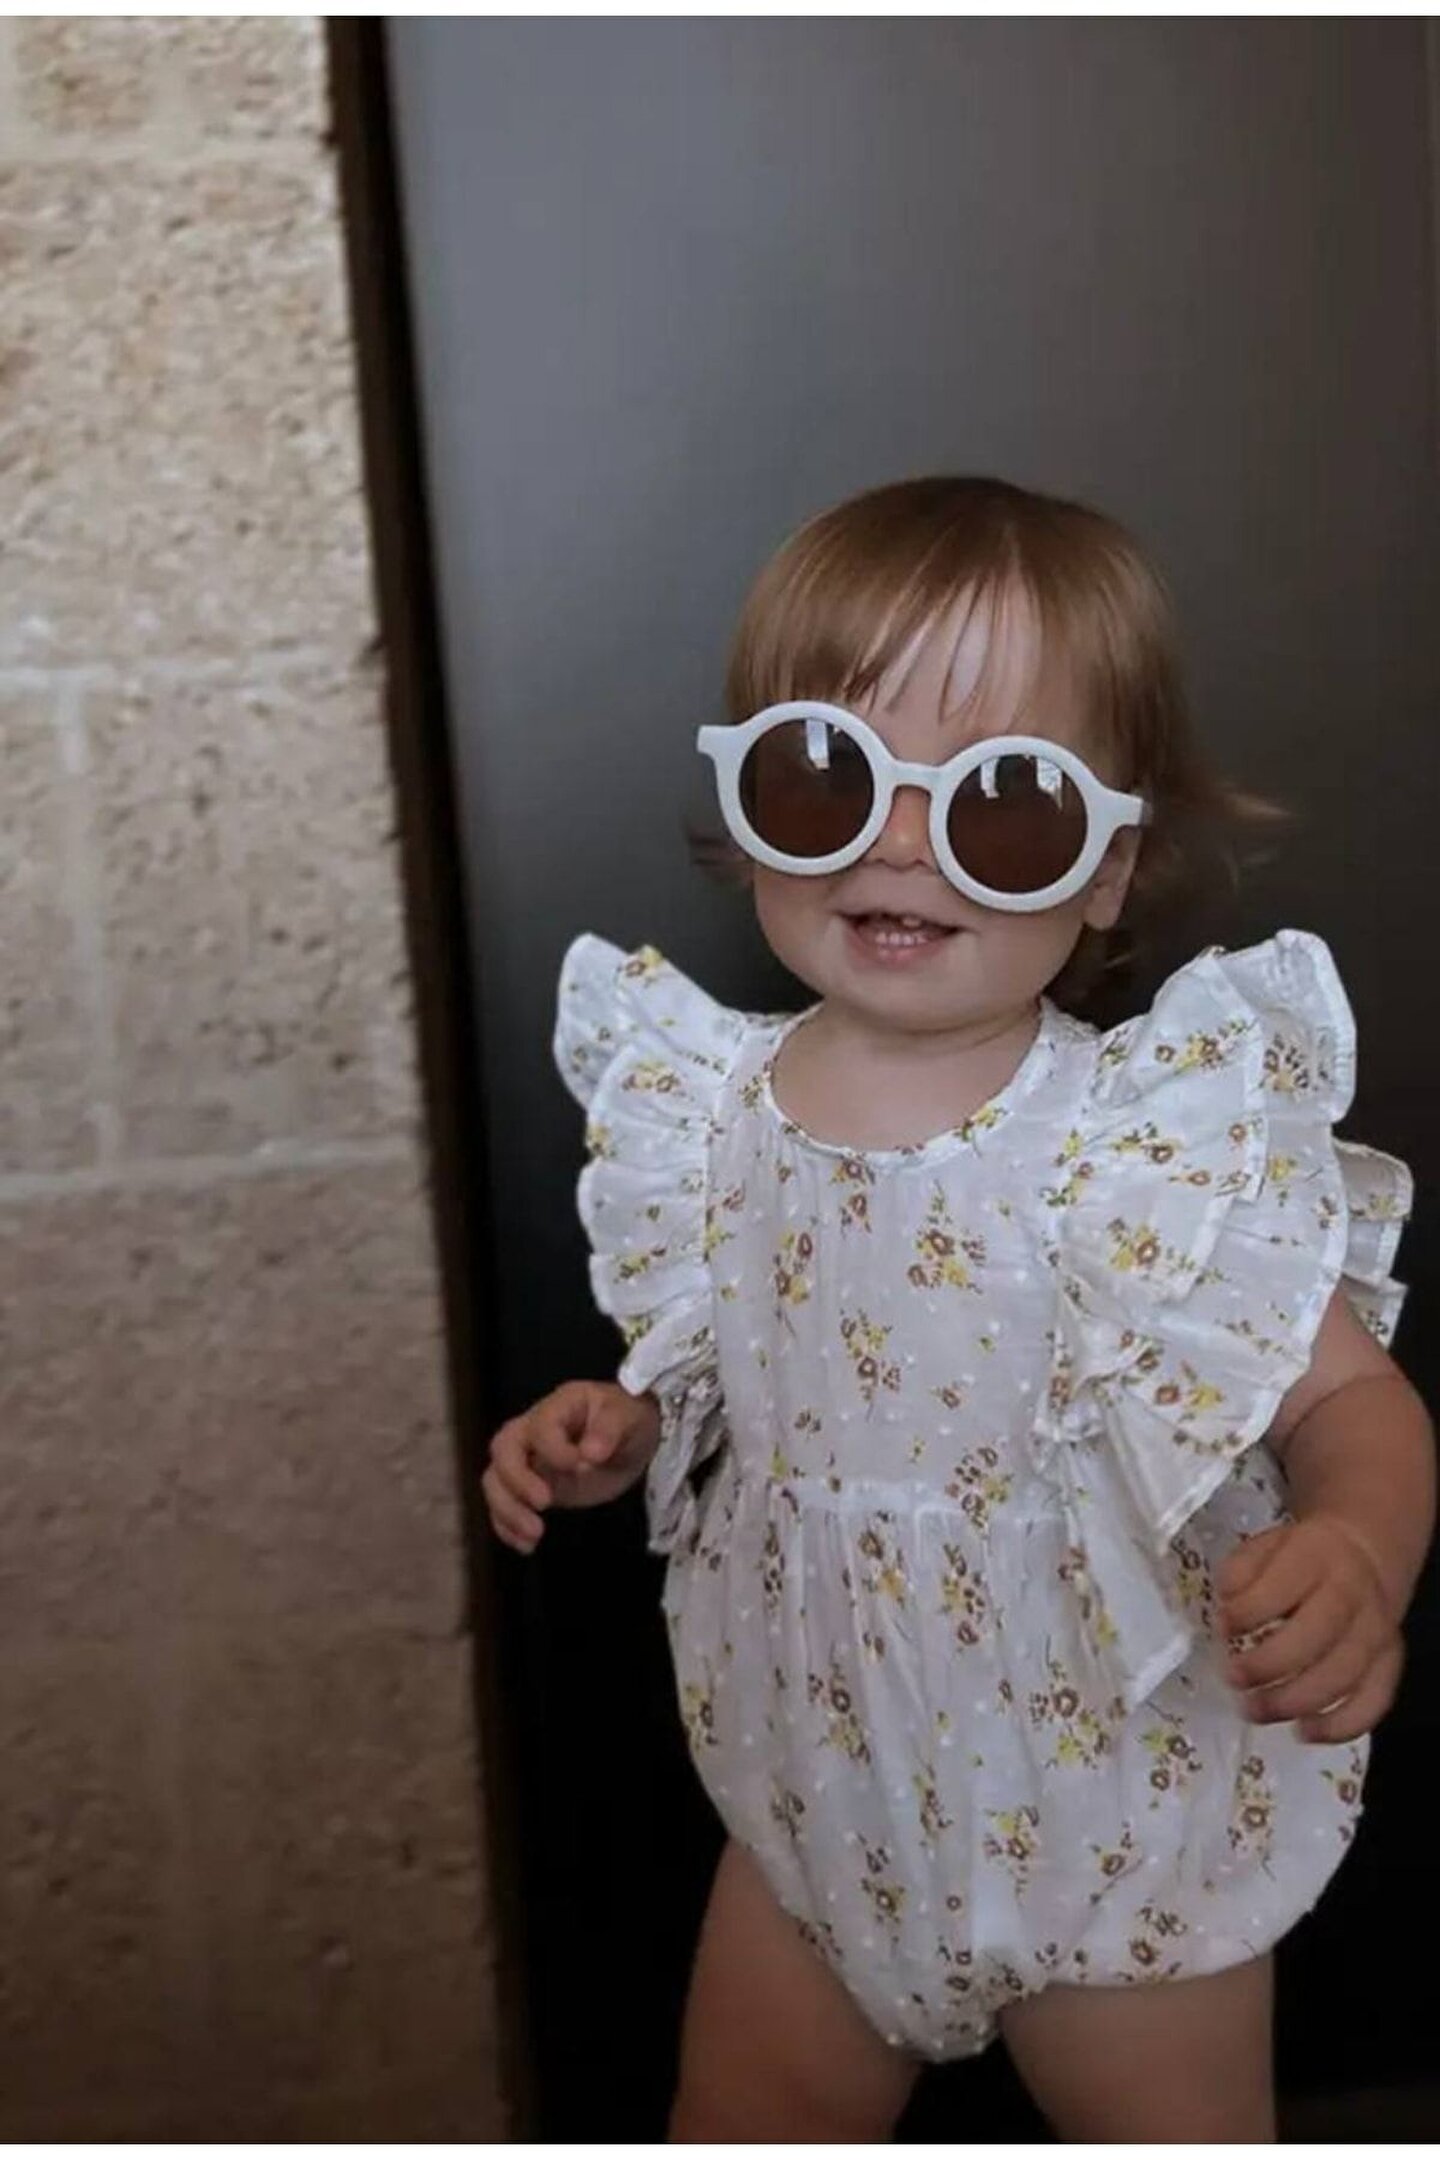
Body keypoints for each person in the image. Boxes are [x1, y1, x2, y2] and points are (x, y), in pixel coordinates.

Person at [482, 477, 1434, 2141]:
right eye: (825, 775)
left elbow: (1348, 1399)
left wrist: (1359, 1544)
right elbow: (736, 1372)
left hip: (1105, 1810)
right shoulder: (713, 1112)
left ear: (1106, 871)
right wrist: (623, 1431)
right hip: (817, 1804)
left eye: (1004, 806)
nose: (900, 842)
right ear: (748, 808)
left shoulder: (1140, 1144)